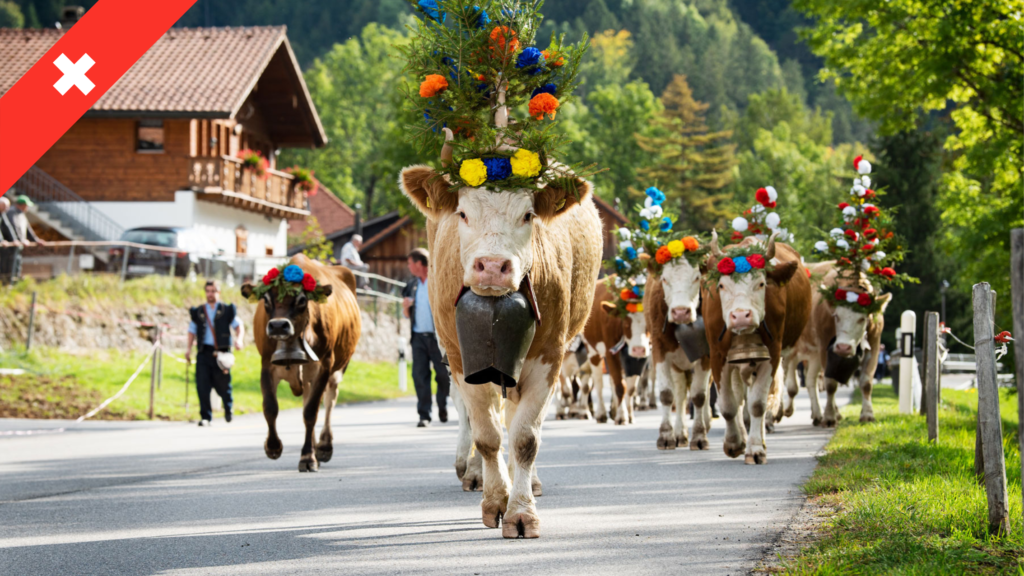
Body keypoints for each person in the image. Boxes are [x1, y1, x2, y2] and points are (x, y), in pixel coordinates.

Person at [402, 248, 450, 427]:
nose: (408, 266)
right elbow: (406, 314)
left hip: (439, 338)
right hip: (418, 338)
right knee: (419, 376)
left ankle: (442, 405)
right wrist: (406, 307)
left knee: (443, 375)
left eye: (410, 263)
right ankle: (424, 415)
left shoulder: (438, 282)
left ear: (419, 263)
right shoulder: (412, 285)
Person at [185, 280, 244, 426]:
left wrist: (239, 340)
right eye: (208, 291)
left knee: (223, 385)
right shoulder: (198, 312)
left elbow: (239, 326)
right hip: (204, 352)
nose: (210, 294)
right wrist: (188, 349)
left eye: (213, 291)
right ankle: (206, 417)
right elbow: (192, 331)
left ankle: (228, 408)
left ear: (218, 292)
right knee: (202, 385)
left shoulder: (226, 310)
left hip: (221, 353)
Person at [0, 197, 19, 284]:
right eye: (5, 206)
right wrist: (1, 240)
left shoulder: (2, 213)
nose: (7, 209)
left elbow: (8, 226)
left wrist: (14, 239)